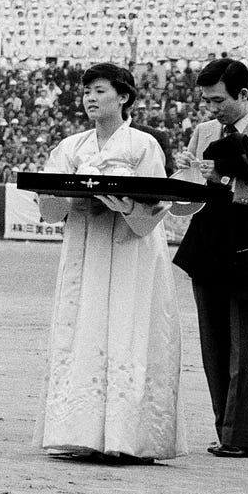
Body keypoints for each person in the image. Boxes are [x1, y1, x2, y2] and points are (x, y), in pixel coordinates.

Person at [32, 63, 183, 462]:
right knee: (83, 330)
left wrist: (128, 204)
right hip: (85, 248)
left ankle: (128, 437)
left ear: (124, 96)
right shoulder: (72, 146)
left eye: (99, 91)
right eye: (86, 93)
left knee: (127, 329)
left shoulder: (142, 145)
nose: (91, 99)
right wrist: (65, 200)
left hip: (130, 251)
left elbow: (158, 206)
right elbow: (48, 204)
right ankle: (77, 432)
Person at [173, 58, 248, 458]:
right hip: (208, 246)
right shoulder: (204, 132)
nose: (211, 109)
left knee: (246, 348)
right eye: (206, 101)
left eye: (218, 101)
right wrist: (186, 175)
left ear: (244, 95)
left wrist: (227, 180)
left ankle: (241, 437)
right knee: (214, 344)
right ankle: (224, 431)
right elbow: (191, 196)